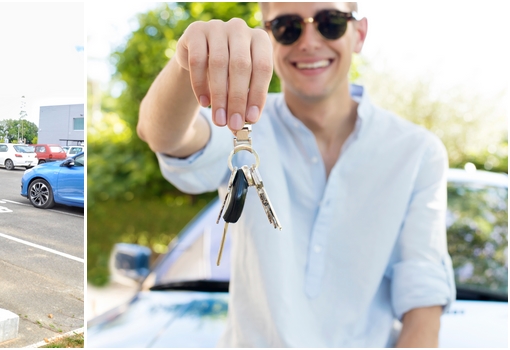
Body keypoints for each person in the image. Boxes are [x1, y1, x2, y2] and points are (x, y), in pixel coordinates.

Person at [137, 2, 455, 347]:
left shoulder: (419, 152)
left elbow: (422, 293)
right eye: (288, 27)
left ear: (359, 34)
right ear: (268, 38)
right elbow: (165, 137)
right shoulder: (239, 123)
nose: (308, 41)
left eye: (329, 23)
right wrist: (187, 61)